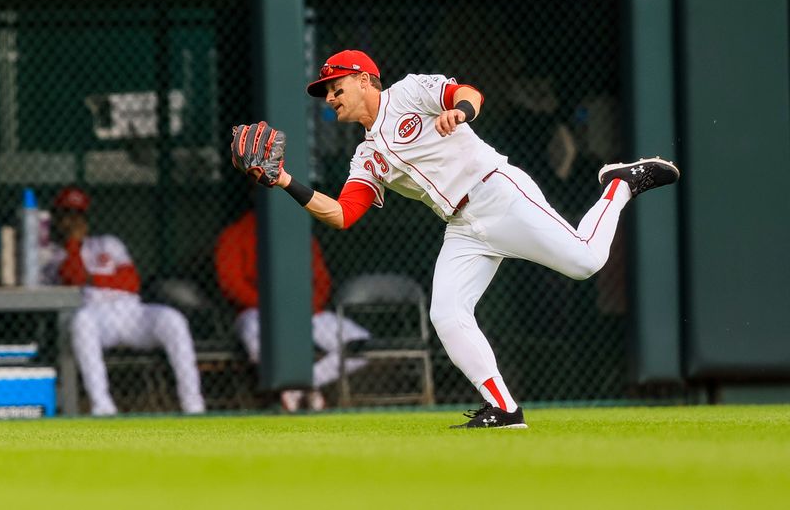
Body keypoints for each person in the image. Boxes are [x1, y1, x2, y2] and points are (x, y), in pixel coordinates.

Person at [233, 49, 680, 429]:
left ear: (365, 79)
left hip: (497, 192)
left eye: (336, 87)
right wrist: (283, 179)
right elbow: (342, 214)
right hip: (463, 226)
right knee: (446, 313)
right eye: (326, 93)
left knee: (585, 262)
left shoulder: (407, 92)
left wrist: (458, 113)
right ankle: (504, 408)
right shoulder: (365, 156)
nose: (330, 98)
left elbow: (469, 94)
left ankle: (618, 185)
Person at [43, 186, 205, 416]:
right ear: (56, 218)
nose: (72, 221)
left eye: (77, 214)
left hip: (132, 312)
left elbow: (131, 282)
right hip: (97, 318)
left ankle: (193, 405)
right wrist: (73, 246)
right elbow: (72, 276)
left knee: (173, 319)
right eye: (66, 214)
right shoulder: (54, 254)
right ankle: (103, 406)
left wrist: (93, 278)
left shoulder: (108, 243)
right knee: (81, 321)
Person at [213, 209, 370, 412]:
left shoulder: (300, 234)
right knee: (255, 340)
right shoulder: (235, 233)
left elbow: (321, 281)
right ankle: (299, 388)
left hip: (305, 313)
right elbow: (230, 283)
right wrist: (272, 307)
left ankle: (303, 385)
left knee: (360, 343)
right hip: (256, 312)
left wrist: (306, 308)